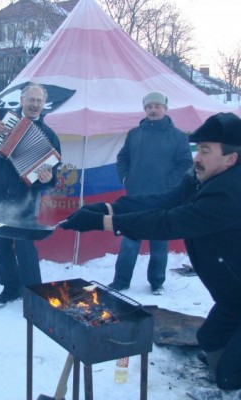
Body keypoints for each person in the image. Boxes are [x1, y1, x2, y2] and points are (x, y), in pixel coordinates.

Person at [61, 112, 241, 393]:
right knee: (209, 339)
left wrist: (105, 223)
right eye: (198, 150)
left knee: (230, 374)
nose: (197, 158)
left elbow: (169, 222)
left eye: (206, 151)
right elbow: (164, 201)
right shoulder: (201, 178)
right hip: (233, 296)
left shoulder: (230, 193)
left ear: (230, 159)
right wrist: (109, 208)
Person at [0, 83, 61, 307]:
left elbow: (53, 174)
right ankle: (10, 288)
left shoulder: (49, 136)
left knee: (25, 246)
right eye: (31, 99)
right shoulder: (2, 117)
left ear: (44, 104)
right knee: (1, 244)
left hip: (24, 200)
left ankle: (34, 292)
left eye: (39, 101)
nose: (35, 104)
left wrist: (47, 178)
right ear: (22, 100)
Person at [110, 91, 193, 295]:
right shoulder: (135, 134)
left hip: (162, 198)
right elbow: (123, 158)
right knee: (130, 241)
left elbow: (185, 164)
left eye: (157, 106)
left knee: (159, 242)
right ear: (145, 109)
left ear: (165, 108)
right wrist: (125, 178)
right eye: (149, 107)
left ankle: (157, 282)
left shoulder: (178, 136)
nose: (153, 110)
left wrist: (168, 185)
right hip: (136, 196)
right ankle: (120, 281)